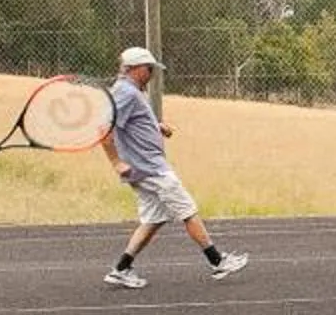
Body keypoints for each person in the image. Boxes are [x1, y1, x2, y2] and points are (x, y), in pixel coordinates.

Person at [97, 47, 248, 288]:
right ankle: (217, 262)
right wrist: (116, 162)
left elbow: (131, 123)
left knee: (154, 218)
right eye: (149, 70)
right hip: (150, 168)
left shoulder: (130, 92)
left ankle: (121, 269)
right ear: (136, 69)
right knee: (187, 210)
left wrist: (157, 126)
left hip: (144, 167)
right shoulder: (126, 92)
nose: (152, 75)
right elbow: (105, 129)